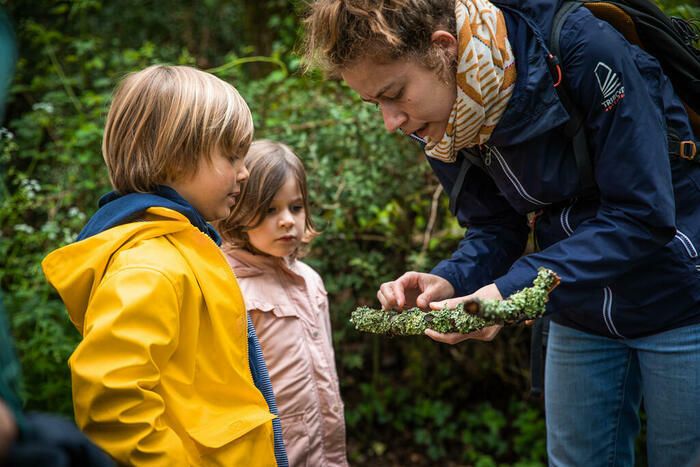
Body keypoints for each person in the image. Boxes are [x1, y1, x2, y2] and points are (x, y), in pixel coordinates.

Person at [302, 0, 700, 465]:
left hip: (678, 291)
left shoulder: (582, 48)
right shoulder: (443, 121)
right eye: (375, 104)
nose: (391, 122)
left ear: (444, 48)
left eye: (394, 93)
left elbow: (641, 214)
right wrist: (454, 280)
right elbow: (494, 225)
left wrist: (509, 293)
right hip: (577, 305)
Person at [41, 65, 288, 466]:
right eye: (232, 156)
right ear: (175, 158)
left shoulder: (184, 244)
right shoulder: (149, 266)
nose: (245, 172)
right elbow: (113, 406)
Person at [218, 140, 348, 467]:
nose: (287, 220)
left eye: (296, 207)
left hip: (325, 447)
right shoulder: (230, 289)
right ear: (238, 212)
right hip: (272, 454)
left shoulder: (310, 280)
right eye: (270, 210)